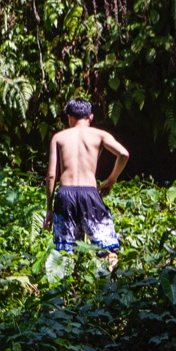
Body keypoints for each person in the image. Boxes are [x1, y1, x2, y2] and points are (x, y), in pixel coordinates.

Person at [46, 99, 129, 267]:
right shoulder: (99, 135)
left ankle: (69, 288)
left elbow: (51, 175)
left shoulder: (59, 137)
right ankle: (108, 283)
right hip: (89, 194)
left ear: (69, 118)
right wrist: (111, 180)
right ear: (90, 117)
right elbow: (123, 154)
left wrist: (49, 209)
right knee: (107, 248)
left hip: (65, 195)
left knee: (66, 252)